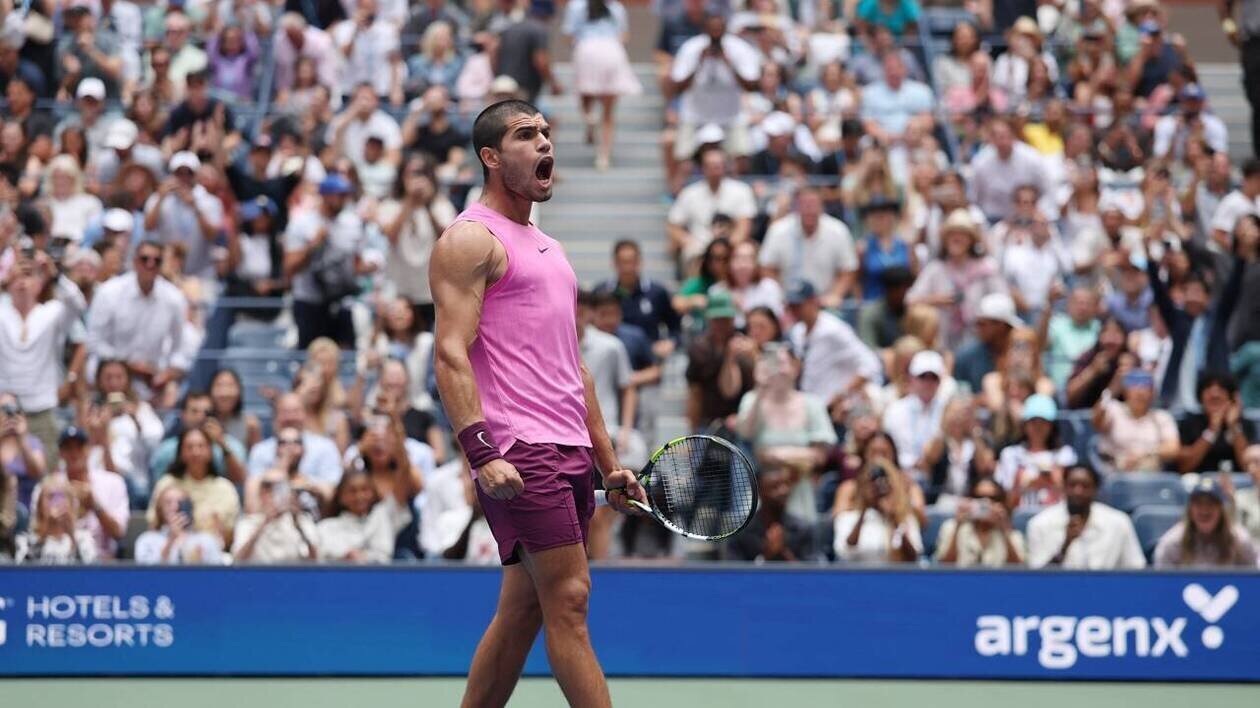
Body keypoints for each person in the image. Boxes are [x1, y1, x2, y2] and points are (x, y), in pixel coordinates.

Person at [430, 100, 644, 707]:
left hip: (568, 448)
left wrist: (608, 464)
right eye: (526, 135)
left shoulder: (550, 248)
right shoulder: (470, 240)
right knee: (570, 599)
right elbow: (449, 353)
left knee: (523, 611)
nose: (545, 143)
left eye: (546, 132)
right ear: (491, 157)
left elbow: (574, 367)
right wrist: (482, 453)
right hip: (519, 451)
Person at [0, 251, 87, 457]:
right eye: (18, 275)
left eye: (29, 275)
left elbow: (78, 304)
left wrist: (55, 275)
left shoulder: (51, 313)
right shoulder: (2, 313)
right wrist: (5, 278)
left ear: (39, 284)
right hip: (4, 407)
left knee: (47, 468)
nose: (22, 281)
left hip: (43, 407)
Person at [86, 240, 190, 401]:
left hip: (152, 378)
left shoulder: (174, 298)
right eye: (145, 259)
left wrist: (168, 373)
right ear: (135, 261)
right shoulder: (109, 292)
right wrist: (128, 364)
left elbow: (181, 347)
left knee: (175, 391)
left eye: (156, 261)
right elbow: (95, 342)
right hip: (112, 372)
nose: (150, 265)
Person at [284, 174, 372, 349]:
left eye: (345, 195)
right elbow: (289, 268)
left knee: (346, 353)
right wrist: (313, 246)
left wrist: (368, 267)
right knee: (311, 354)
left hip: (342, 299)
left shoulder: (353, 223)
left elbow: (357, 263)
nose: (344, 199)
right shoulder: (301, 223)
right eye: (339, 195)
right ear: (325, 196)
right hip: (310, 302)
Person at [907, 209, 1007, 352]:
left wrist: (984, 313)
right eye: (952, 234)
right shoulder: (936, 269)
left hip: (978, 342)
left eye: (962, 234)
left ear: (971, 240)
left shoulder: (986, 268)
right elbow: (910, 300)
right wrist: (936, 300)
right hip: (941, 341)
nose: (956, 238)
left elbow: (1004, 300)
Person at [786, 281, 882, 424]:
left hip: (832, 411)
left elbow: (870, 364)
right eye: (791, 306)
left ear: (813, 302)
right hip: (808, 409)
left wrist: (841, 395)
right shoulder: (797, 332)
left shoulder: (834, 330)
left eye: (798, 305)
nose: (794, 311)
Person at [563, 0, 640, 171]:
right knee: (608, 113)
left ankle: (589, 118)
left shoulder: (576, 6)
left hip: (586, 49)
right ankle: (603, 157)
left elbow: (569, 35)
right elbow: (623, 35)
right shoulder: (616, 7)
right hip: (612, 51)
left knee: (584, 93)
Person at [30, 425, 128, 560]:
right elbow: (35, 530)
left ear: (88, 449)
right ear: (60, 453)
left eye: (79, 447)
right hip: (55, 557)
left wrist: (95, 506)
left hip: (103, 561)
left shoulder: (113, 482)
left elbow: (118, 533)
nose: (74, 453)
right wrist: (53, 523)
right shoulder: (47, 488)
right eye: (68, 448)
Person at [1027, 464, 1146, 569]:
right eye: (1072, 485)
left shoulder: (1119, 523)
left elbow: (1136, 570)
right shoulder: (1039, 524)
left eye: (1085, 486)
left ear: (1096, 489)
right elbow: (1036, 579)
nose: (1078, 491)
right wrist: (1065, 545)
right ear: (1064, 487)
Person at [759, 187, 857, 307]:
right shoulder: (778, 230)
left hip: (825, 303)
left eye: (813, 204)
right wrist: (779, 296)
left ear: (822, 207)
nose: (809, 210)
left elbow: (848, 269)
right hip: (788, 304)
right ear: (796, 207)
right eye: (805, 205)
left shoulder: (838, 231)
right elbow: (766, 267)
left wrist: (835, 295)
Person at [148, 427, 241, 546]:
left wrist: (220, 533)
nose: (196, 452)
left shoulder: (225, 488)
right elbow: (153, 526)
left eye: (201, 446)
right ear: (180, 452)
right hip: (171, 550)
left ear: (210, 451)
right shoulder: (167, 483)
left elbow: (231, 537)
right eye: (189, 447)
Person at [666, 145, 755, 264]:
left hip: (731, 247)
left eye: (718, 166)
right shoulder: (689, 193)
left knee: (744, 253)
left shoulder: (741, 190)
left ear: (725, 167)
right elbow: (673, 225)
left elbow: (744, 226)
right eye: (711, 166)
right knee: (690, 253)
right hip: (698, 248)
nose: (715, 171)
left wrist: (726, 247)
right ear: (703, 168)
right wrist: (687, 241)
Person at [685, 291, 756, 431]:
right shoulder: (699, 349)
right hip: (709, 422)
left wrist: (754, 355)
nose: (721, 325)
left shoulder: (745, 346)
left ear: (733, 319)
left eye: (725, 319)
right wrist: (693, 430)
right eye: (717, 320)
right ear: (708, 319)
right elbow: (695, 393)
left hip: (742, 423)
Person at [1154, 478, 1257, 568]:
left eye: (1211, 504)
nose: (1204, 510)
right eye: (1199, 504)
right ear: (1190, 509)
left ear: (1221, 510)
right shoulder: (1172, 543)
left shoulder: (1240, 541)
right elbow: (1162, 581)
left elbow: (1254, 578)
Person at [995, 394, 1077, 508]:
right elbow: (1005, 497)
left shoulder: (1064, 454)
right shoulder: (1010, 454)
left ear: (1052, 426)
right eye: (1033, 422)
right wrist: (1023, 484)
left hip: (1053, 513)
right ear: (1025, 425)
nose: (1038, 428)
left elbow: (1071, 494)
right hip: (1020, 512)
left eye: (1043, 422)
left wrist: (1054, 481)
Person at [149, 392, 248, 485]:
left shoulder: (232, 446)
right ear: (183, 415)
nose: (201, 416)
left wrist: (222, 445)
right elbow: (160, 485)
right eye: (194, 411)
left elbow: (240, 481)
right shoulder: (166, 450)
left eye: (207, 412)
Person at [1094, 368, 1181, 473]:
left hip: (1151, 475)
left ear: (1153, 393)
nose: (1140, 393)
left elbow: (1173, 449)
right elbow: (1096, 422)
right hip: (1114, 473)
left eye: (1145, 389)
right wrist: (1112, 389)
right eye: (1135, 388)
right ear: (1125, 391)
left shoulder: (1161, 417)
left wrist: (1145, 453)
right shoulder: (1113, 409)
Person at [723, 463, 816, 562]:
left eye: (787, 484)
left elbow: (812, 570)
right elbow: (734, 570)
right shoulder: (740, 530)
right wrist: (767, 556)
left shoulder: (803, 529)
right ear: (759, 491)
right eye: (775, 487)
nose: (783, 491)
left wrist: (782, 551)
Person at [247, 393, 344, 485]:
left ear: (306, 415)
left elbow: (333, 484)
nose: (290, 417)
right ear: (275, 417)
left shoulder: (325, 447)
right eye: (285, 412)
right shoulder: (260, 450)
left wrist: (303, 482)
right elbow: (254, 486)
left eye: (296, 411)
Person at [833, 462, 921, 563]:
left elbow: (913, 557)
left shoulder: (905, 519)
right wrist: (864, 510)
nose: (877, 490)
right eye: (871, 486)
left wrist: (894, 520)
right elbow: (844, 552)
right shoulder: (847, 517)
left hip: (893, 572)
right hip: (859, 571)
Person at [233, 467, 320, 563]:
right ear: (261, 493)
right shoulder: (247, 523)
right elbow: (238, 561)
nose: (272, 493)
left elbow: (315, 561)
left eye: (280, 487)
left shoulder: (302, 521)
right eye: (267, 487)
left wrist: (298, 526)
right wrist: (263, 524)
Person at [882, 350, 949, 473]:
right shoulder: (895, 410)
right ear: (911, 378)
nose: (928, 383)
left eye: (933, 378)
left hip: (938, 474)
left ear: (940, 381)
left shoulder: (948, 410)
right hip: (902, 473)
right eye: (923, 377)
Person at [935, 478, 1025, 567]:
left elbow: (1019, 570)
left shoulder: (1011, 533)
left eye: (993, 498)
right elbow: (944, 567)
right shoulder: (951, 527)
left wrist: (1004, 530)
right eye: (979, 497)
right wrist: (958, 526)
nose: (986, 502)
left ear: (1001, 502)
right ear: (970, 499)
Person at [1176, 372, 1253, 474]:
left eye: (1221, 389)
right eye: (1208, 389)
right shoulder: (1189, 423)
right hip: (1198, 480)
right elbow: (1184, 467)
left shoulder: (1245, 424)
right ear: (1200, 396)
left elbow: (1251, 466)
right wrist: (1212, 430)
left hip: (1238, 481)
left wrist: (1233, 426)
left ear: (1231, 397)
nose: (1214, 394)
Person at [14, 475, 98, 564]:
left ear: (70, 503)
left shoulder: (83, 539)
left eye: (61, 496)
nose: (56, 503)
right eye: (51, 497)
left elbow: (90, 569)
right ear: (40, 505)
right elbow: (23, 569)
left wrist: (72, 537)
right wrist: (43, 537)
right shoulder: (25, 540)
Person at [317, 469, 394, 563]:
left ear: (373, 492)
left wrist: (365, 557)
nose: (359, 496)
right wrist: (344, 555)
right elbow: (319, 554)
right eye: (352, 491)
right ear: (341, 496)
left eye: (365, 489)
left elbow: (384, 555)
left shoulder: (381, 516)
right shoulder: (325, 527)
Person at [134, 484, 224, 564]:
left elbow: (219, 572)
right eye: (168, 503)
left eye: (180, 502)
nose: (175, 507)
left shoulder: (205, 540)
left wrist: (200, 563)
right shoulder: (147, 540)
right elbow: (146, 573)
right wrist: (170, 542)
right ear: (160, 509)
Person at [953, 293, 1021, 395]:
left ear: (1001, 325)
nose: (977, 328)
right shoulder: (965, 357)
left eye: (982, 324)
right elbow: (960, 396)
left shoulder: (1022, 355)